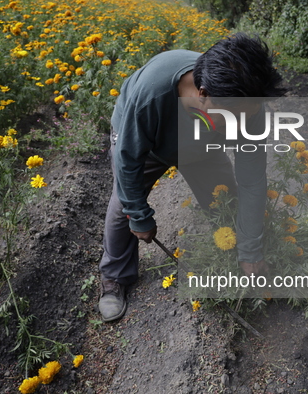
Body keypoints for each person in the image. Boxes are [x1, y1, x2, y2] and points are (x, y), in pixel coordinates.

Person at [98, 33, 286, 322]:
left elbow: (252, 180)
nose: (243, 124)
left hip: (201, 145)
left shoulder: (247, 106)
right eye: (234, 117)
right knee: (123, 204)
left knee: (225, 200)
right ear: (203, 95)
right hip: (147, 143)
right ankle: (115, 277)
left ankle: (234, 259)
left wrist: (250, 247)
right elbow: (127, 160)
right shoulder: (152, 94)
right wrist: (138, 215)